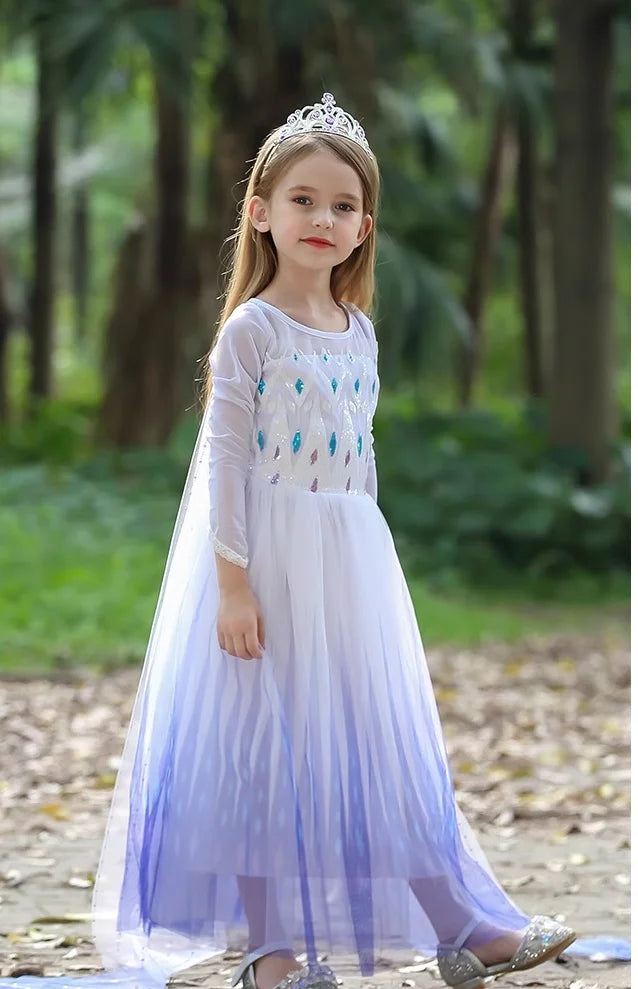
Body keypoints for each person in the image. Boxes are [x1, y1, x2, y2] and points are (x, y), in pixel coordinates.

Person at [0, 94, 577, 989]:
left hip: (349, 558)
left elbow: (361, 454)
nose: (322, 218)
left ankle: (461, 925)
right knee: (261, 752)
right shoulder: (252, 331)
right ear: (261, 212)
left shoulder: (360, 333)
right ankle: (271, 954)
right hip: (264, 559)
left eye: (343, 205)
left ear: (364, 229)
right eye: (303, 199)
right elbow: (225, 463)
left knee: (378, 740)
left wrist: (368, 567)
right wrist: (233, 584)